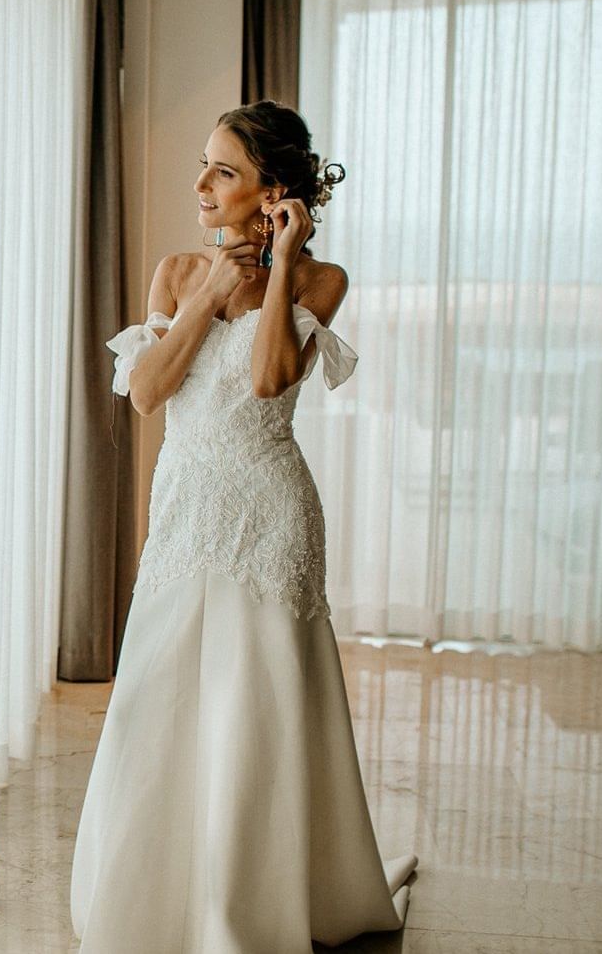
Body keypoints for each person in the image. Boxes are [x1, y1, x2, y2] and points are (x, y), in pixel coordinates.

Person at [68, 101, 416, 952]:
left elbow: (269, 382)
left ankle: (251, 907)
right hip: (186, 513)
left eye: (224, 171)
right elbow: (146, 393)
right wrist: (207, 297)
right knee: (160, 694)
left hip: (271, 519)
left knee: (256, 713)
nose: (201, 186)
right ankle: (150, 899)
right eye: (204, 165)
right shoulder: (176, 271)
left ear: (275, 192)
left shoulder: (318, 280)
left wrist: (283, 260)